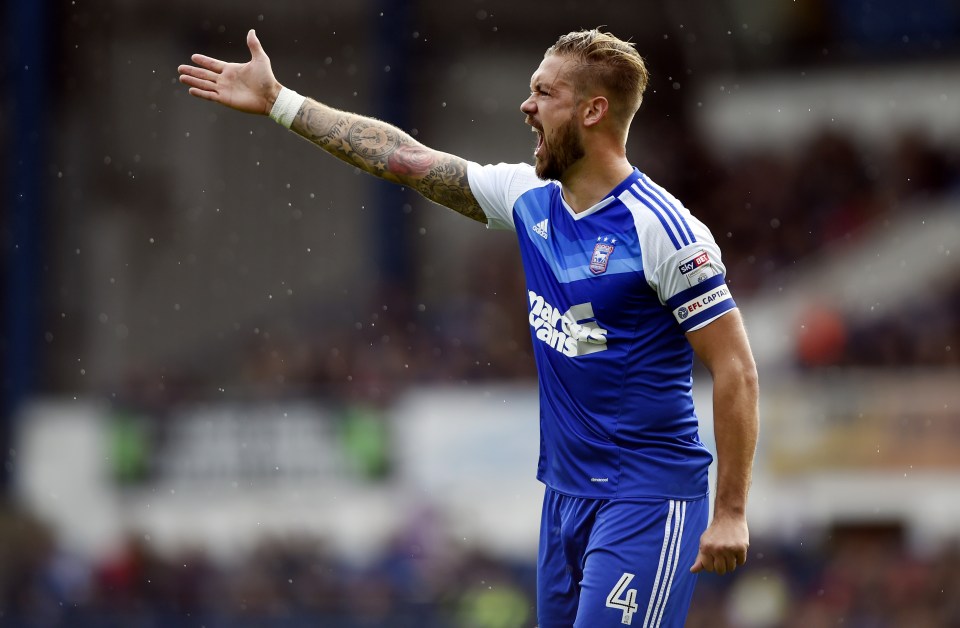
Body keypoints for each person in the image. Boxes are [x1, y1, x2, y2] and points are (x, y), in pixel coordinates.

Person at [178, 28, 760, 627]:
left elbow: (736, 366)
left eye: (544, 92)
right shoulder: (529, 197)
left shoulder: (663, 230)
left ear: (592, 110)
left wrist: (732, 510)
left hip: (646, 497)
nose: (526, 106)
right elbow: (404, 159)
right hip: (565, 496)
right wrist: (281, 102)